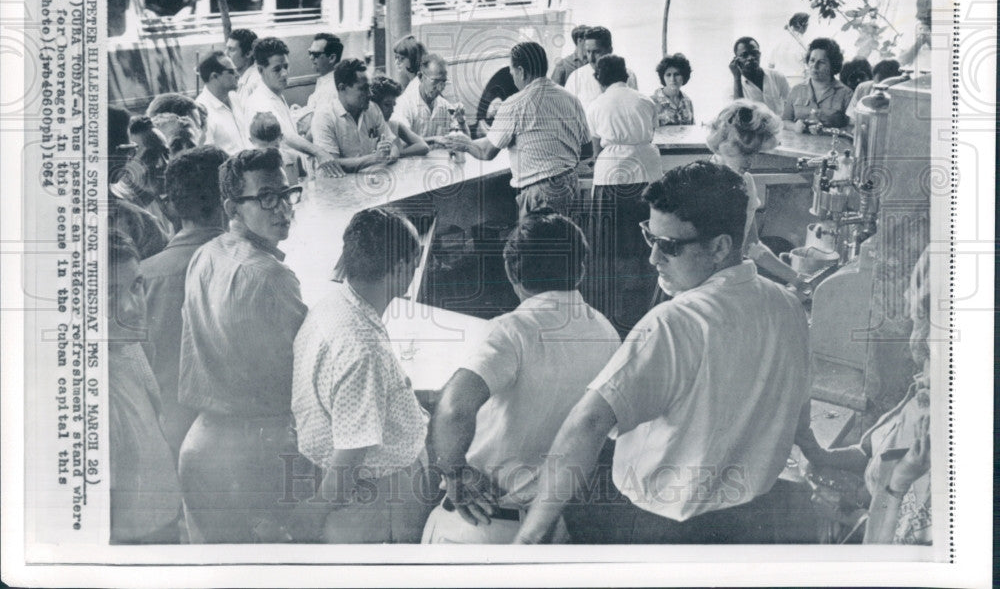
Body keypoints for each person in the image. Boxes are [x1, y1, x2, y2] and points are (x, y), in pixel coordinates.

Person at [515, 161, 811, 545]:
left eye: (669, 246)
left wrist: (530, 534)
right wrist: (820, 455)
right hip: (752, 523)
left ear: (720, 246)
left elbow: (588, 422)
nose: (653, 259)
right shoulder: (787, 306)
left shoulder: (674, 322)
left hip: (664, 528)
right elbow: (799, 409)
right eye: (649, 237)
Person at [423, 211, 620, 544]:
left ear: (511, 270)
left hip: (478, 525)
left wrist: (455, 474)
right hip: (549, 529)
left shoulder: (512, 329)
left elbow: (454, 410)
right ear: (582, 268)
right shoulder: (606, 332)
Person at [178, 148, 308, 543]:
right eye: (267, 197)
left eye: (287, 193)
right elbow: (310, 369)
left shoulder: (204, 254)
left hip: (199, 447)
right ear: (232, 207)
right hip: (256, 456)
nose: (283, 208)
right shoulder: (271, 276)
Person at [291, 208, 432, 543]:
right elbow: (350, 455)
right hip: (380, 497)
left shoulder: (331, 304)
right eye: (415, 260)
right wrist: (316, 511)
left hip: (343, 481)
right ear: (399, 269)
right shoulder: (363, 349)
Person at [798, 247, 932, 544]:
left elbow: (897, 548)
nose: (907, 298)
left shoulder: (937, 426)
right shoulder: (921, 392)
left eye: (915, 289)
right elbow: (873, 454)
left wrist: (850, 515)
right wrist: (819, 453)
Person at [140, 146, 229, 458]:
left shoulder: (142, 278)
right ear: (230, 202)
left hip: (168, 437)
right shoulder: (250, 268)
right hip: (236, 434)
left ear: (170, 207)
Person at [444, 41, 592, 218]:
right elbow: (587, 150)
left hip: (541, 193)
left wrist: (465, 144)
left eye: (512, 70)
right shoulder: (570, 99)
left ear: (521, 71)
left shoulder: (515, 104)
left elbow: (487, 152)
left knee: (538, 244)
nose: (511, 75)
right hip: (571, 186)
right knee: (568, 243)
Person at [108, 229, 183, 544]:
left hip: (161, 527)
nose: (131, 307)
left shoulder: (127, 345)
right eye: (109, 293)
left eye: (136, 285)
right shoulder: (93, 392)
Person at [585, 54, 663, 333]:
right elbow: (651, 134)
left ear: (599, 79)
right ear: (626, 74)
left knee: (612, 246)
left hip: (612, 175)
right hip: (646, 172)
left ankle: (614, 315)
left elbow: (596, 150)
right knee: (645, 242)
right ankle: (647, 307)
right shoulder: (645, 100)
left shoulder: (596, 105)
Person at [706, 101, 807, 291]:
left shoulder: (746, 182)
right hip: (702, 285)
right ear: (723, 145)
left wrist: (798, 279)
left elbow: (751, 246)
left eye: (754, 153)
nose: (751, 161)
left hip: (731, 278)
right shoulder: (701, 183)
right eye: (745, 153)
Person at [242, 37, 344, 177]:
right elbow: (284, 136)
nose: (284, 73)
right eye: (277, 69)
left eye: (286, 66)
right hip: (273, 176)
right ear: (260, 70)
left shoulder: (276, 95)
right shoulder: (259, 101)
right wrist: (319, 152)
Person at [311, 59, 400, 172]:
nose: (370, 94)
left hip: (369, 181)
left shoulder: (372, 109)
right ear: (342, 88)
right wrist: (375, 158)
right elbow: (332, 163)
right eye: (363, 88)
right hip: (337, 185)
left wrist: (387, 156)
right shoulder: (324, 117)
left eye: (369, 87)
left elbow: (394, 146)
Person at [108, 107, 169, 260]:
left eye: (166, 153)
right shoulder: (135, 220)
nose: (163, 164)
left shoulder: (171, 209)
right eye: (150, 156)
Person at [393, 52, 469, 140]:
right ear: (421, 77)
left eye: (443, 82)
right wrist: (434, 140)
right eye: (435, 81)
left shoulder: (443, 105)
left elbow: (466, 142)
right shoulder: (404, 105)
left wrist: (461, 122)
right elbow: (400, 144)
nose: (440, 87)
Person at [783, 38, 853, 132]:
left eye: (821, 62)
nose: (815, 66)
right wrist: (794, 127)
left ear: (833, 65)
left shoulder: (846, 94)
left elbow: (852, 127)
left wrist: (828, 131)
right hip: (799, 145)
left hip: (831, 145)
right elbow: (785, 121)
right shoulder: (796, 90)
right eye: (812, 60)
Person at [564, 26, 638, 110]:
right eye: (588, 52)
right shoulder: (576, 77)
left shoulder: (628, 75)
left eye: (597, 52)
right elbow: (567, 111)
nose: (591, 58)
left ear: (610, 50)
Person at [195, 52, 247, 155]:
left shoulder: (234, 97)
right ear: (214, 76)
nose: (238, 75)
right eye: (231, 71)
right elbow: (207, 158)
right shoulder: (200, 112)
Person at [729, 36, 790, 117]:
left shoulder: (777, 77)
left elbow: (792, 106)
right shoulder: (733, 88)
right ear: (736, 60)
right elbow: (738, 116)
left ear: (760, 54)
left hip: (780, 128)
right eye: (745, 55)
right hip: (754, 129)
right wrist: (737, 78)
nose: (751, 58)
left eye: (754, 53)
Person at [370, 75, 430, 157]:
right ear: (374, 104)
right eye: (387, 105)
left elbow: (423, 146)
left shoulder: (394, 125)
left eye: (393, 105)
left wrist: (398, 153)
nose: (392, 110)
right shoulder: (367, 126)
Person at [651, 53, 695, 126]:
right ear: (663, 77)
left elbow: (692, 128)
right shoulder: (652, 102)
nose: (672, 79)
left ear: (684, 76)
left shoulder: (688, 102)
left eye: (677, 74)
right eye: (668, 75)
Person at [771, 12, 811, 87]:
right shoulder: (803, 43)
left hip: (779, 82)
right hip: (798, 81)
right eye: (807, 25)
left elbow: (771, 65)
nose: (807, 27)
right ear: (801, 25)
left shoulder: (777, 41)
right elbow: (808, 67)